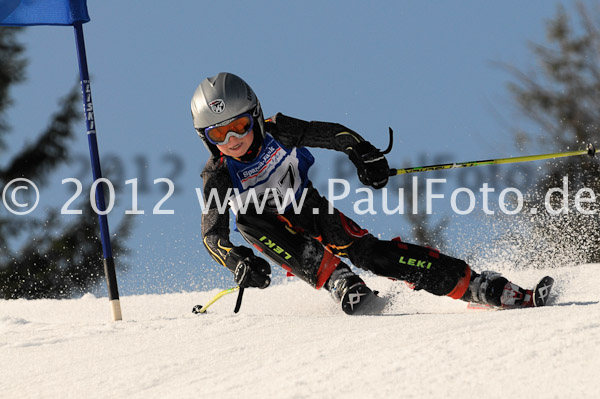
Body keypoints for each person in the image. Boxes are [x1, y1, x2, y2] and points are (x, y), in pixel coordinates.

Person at [191, 72, 546, 315]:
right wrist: (238, 262)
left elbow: (333, 134)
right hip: (273, 232)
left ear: (256, 115)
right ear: (206, 140)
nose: (232, 140)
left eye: (239, 126)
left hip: (307, 206)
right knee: (249, 219)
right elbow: (212, 235)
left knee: (369, 253)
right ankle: (336, 279)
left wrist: (364, 153)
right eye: (218, 135)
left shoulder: (278, 131)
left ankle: (477, 286)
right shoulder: (219, 175)